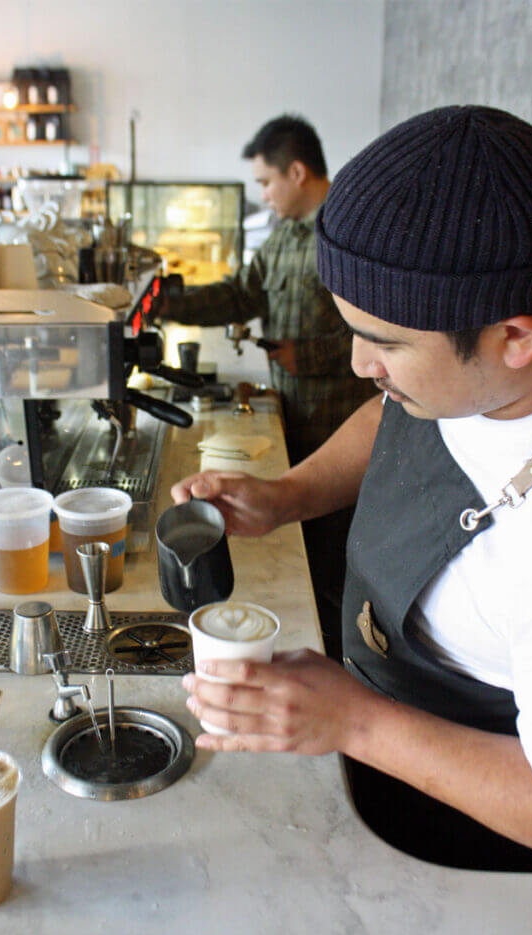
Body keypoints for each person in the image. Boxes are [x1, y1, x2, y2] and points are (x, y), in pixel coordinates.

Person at [172, 106, 532, 872]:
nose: (356, 365)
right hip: (370, 731)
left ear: (515, 337)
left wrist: (357, 724)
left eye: (384, 343)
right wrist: (289, 495)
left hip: (479, 843)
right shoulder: (491, 369)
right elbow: (396, 418)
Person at [161, 114, 374, 658]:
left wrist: (310, 355)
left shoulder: (352, 236)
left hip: (343, 438)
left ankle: (339, 663)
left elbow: (384, 335)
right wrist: (163, 303)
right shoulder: (281, 240)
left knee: (335, 566)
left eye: (264, 182)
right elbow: (240, 296)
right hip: (293, 424)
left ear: (297, 171)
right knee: (305, 553)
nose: (263, 194)